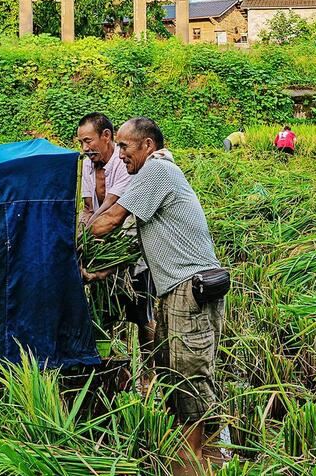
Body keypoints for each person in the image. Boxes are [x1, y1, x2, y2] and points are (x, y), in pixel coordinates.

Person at [89, 117, 225, 474]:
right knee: (169, 367)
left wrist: (72, 240)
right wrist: (101, 270)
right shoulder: (153, 176)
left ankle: (191, 459)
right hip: (175, 290)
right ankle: (209, 451)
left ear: (147, 145)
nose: (119, 154)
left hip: (189, 289)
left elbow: (111, 220)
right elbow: (139, 241)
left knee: (188, 373)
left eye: (124, 146)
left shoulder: (157, 170)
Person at [76, 112, 156, 377]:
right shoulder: (88, 167)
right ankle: (112, 374)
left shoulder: (126, 164)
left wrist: (83, 237)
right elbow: (89, 209)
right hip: (103, 254)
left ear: (106, 136)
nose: (85, 148)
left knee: (143, 317)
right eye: (81, 143)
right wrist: (84, 233)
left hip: (130, 252)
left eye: (88, 141)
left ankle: (149, 375)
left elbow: (112, 211)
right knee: (103, 316)